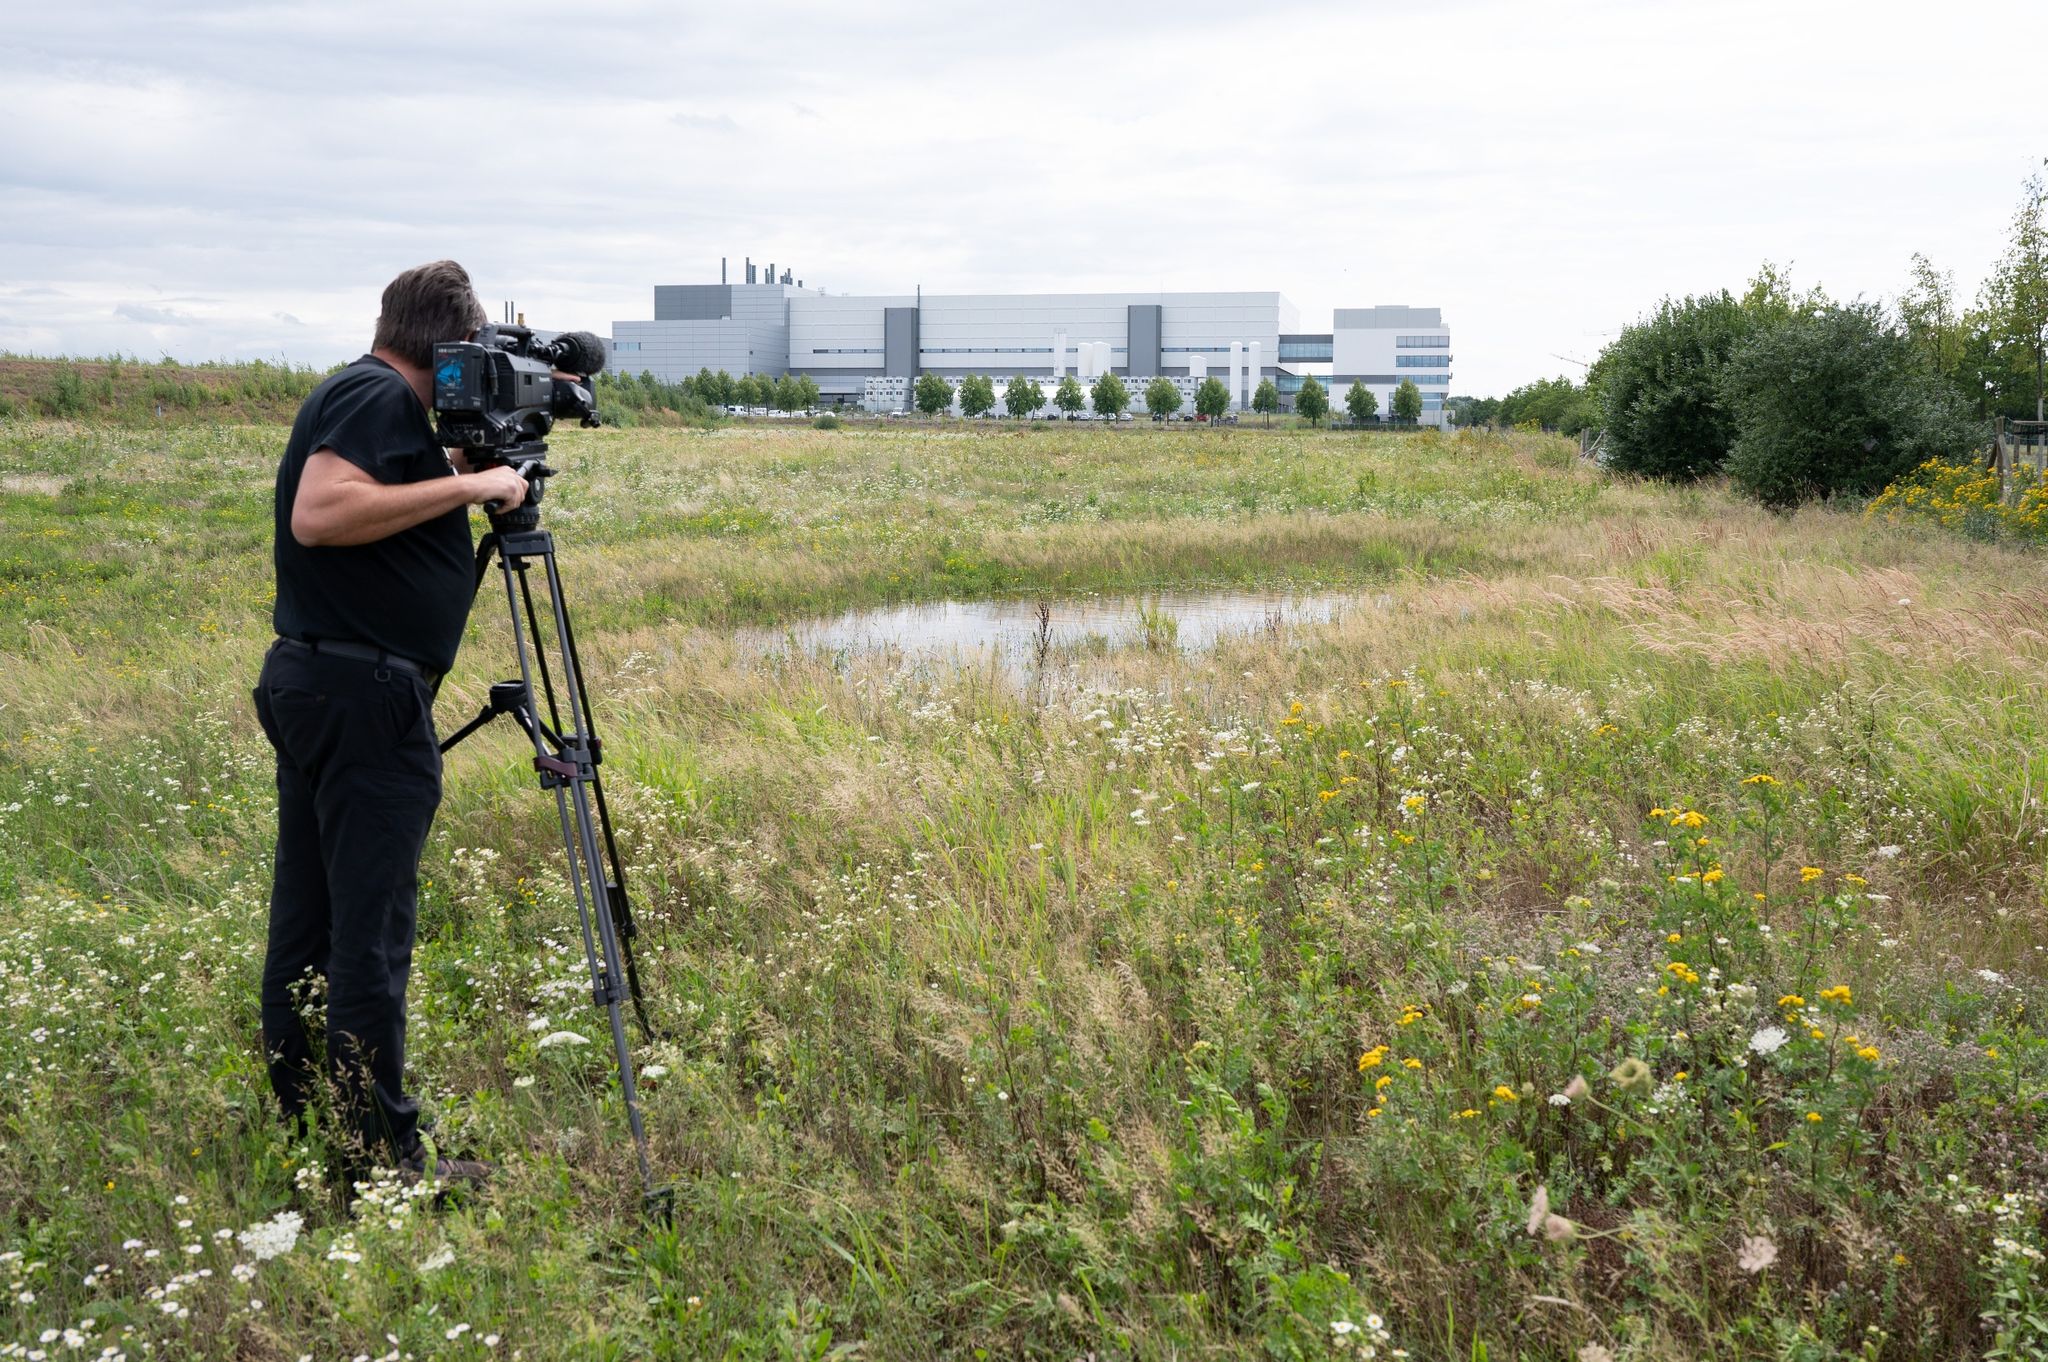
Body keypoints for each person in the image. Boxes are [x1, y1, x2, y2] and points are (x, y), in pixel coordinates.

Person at [252, 260, 528, 1185]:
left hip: (323, 683)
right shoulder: (372, 394)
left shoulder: (367, 398)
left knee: (312, 919)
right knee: (367, 933)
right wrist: (470, 491)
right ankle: (385, 1160)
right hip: (363, 698)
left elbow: (375, 507)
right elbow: (322, 513)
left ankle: (306, 1117)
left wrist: (451, 466)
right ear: (448, 346)